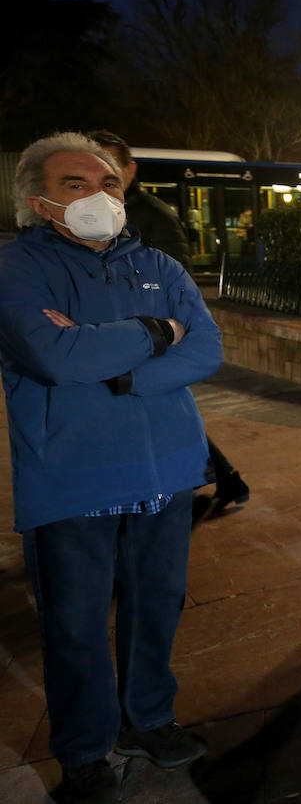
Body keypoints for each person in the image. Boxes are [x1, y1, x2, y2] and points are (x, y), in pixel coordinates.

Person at [0, 133, 224, 803]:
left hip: (168, 466)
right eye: (77, 184)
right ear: (38, 201)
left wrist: (114, 369)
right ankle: (84, 750)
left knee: (157, 605)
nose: (101, 196)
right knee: (75, 623)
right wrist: (157, 333)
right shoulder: (17, 268)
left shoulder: (156, 261)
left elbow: (207, 347)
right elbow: (54, 357)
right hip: (72, 476)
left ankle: (149, 718)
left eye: (110, 184)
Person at [88, 130, 251, 516]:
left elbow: (181, 298)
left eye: (109, 172)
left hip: (148, 354)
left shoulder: (154, 219)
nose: (98, 184)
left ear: (130, 171)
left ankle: (190, 493)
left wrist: (153, 333)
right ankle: (221, 481)